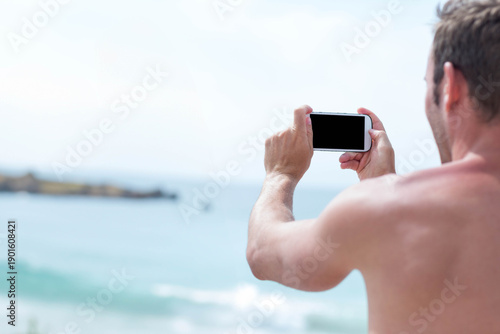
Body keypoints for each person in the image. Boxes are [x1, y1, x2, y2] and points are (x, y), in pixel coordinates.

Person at [246, 0, 500, 333]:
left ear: (450, 87)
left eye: (428, 83)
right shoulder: (388, 206)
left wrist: (281, 174)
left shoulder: (384, 209)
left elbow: (263, 250)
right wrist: (383, 185)